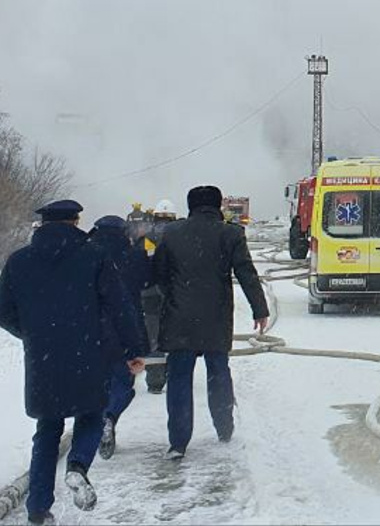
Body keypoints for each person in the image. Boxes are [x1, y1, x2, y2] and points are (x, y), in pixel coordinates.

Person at [0, 200, 148, 525]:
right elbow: (120, 306)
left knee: (48, 429)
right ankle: (78, 466)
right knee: (92, 415)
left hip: (43, 359)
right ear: (75, 221)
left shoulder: (18, 261)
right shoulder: (94, 257)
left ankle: (38, 509)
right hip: (87, 353)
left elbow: (3, 310)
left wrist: (32, 333)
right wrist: (133, 349)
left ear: (42, 225)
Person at [153, 185, 269, 460]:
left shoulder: (171, 233)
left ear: (190, 205)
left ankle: (178, 442)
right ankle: (224, 427)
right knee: (218, 371)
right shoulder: (230, 233)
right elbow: (246, 273)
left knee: (179, 377)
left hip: (179, 317)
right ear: (218, 206)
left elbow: (158, 273)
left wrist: (174, 296)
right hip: (215, 318)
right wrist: (259, 309)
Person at [87, 215, 152, 460]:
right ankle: (110, 416)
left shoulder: (85, 255)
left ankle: (97, 423)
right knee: (123, 382)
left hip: (89, 329)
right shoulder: (135, 254)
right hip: (125, 327)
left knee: (95, 382)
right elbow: (147, 281)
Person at [139, 199, 179, 394]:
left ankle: (155, 380)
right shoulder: (182, 236)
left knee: (153, 338)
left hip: (149, 295)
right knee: (177, 337)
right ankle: (176, 376)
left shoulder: (145, 237)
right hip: (176, 295)